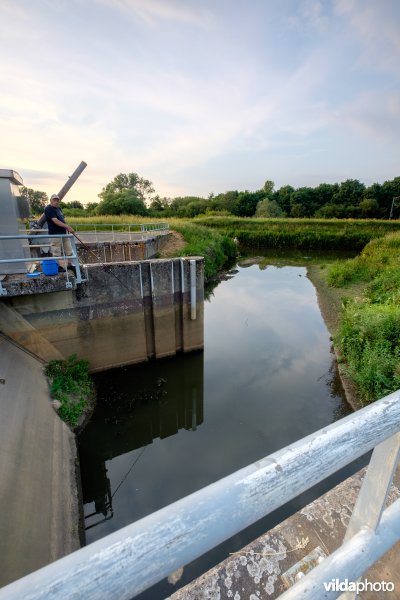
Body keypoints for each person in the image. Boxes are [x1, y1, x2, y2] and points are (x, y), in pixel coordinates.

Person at [44, 194, 76, 274]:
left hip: (63, 233)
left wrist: (66, 228)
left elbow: (62, 220)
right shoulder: (48, 209)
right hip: (55, 234)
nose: (56, 201)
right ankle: (58, 267)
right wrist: (67, 227)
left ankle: (70, 264)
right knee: (56, 251)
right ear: (50, 200)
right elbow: (55, 221)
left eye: (57, 200)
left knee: (69, 250)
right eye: (54, 200)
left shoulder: (58, 209)